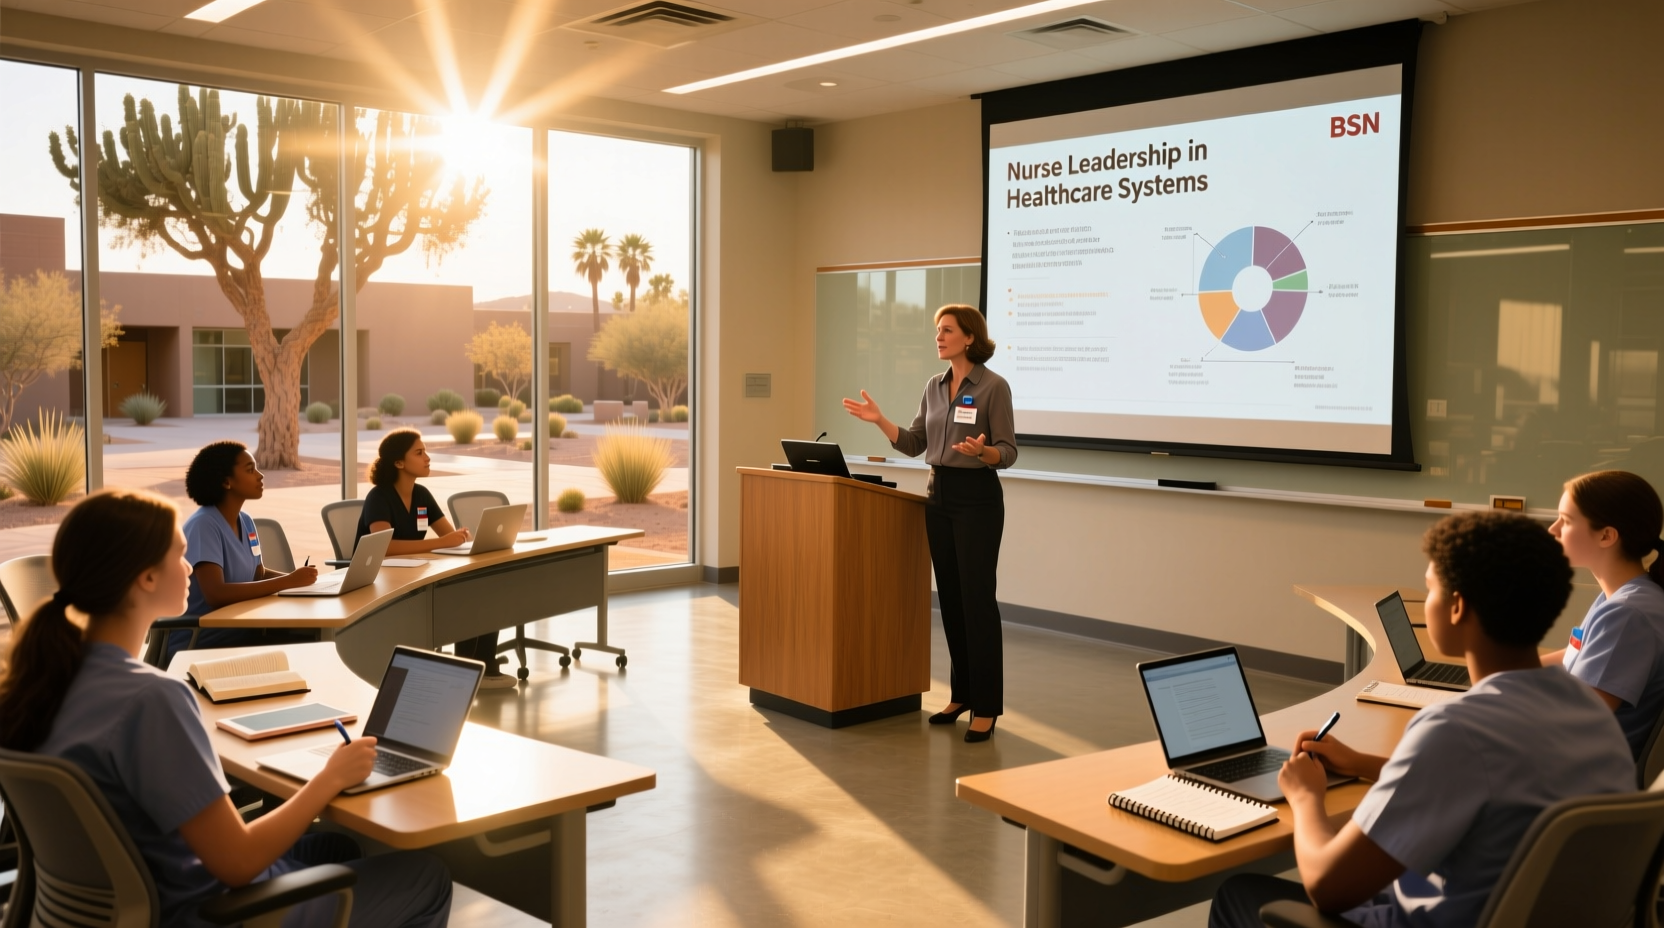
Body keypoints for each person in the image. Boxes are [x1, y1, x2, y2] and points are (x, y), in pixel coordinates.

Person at [0, 489, 452, 928]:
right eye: (180, 555)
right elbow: (238, 863)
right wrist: (331, 776)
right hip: (206, 910)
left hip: (147, 893)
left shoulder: (40, 682)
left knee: (334, 846)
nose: (189, 569)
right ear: (147, 578)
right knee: (427, 876)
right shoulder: (153, 700)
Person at [1208, 510, 1635, 928]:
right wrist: (1363, 765)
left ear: (1456, 607)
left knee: (1237, 892)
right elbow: (1491, 780)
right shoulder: (1590, 714)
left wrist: (1305, 797)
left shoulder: (1457, 729)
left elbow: (1327, 887)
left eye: (1430, 589)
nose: (1426, 600)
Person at [842, 304, 1017, 743]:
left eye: (947, 330)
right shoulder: (934, 387)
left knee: (977, 601)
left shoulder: (994, 387)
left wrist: (984, 453)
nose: (938, 337)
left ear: (969, 338)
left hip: (977, 499)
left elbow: (1009, 452)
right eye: (937, 331)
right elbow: (917, 444)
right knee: (953, 601)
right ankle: (961, 695)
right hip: (938, 495)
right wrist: (880, 421)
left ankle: (987, 707)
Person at [357, 428, 514, 689]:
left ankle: (481, 665)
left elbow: (449, 536)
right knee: (463, 598)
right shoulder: (379, 497)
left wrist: (460, 537)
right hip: (380, 580)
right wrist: (441, 542)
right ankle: (470, 669)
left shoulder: (422, 496)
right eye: (419, 453)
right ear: (399, 462)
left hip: (414, 574)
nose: (427, 457)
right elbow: (384, 548)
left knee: (482, 588)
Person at [161, 441, 320, 665]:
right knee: (306, 650)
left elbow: (258, 575)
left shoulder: (245, 521)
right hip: (201, 644)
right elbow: (216, 594)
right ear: (226, 481)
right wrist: (288, 582)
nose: (260, 475)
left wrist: (306, 581)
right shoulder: (204, 525)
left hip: (241, 632)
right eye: (250, 470)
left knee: (313, 641)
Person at [1543, 469, 1664, 759]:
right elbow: (1577, 653)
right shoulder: (1625, 594)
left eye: (1567, 520)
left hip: (1589, 772)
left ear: (1607, 536)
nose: (1553, 529)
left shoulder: (1627, 614)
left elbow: (1581, 718)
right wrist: (1507, 672)